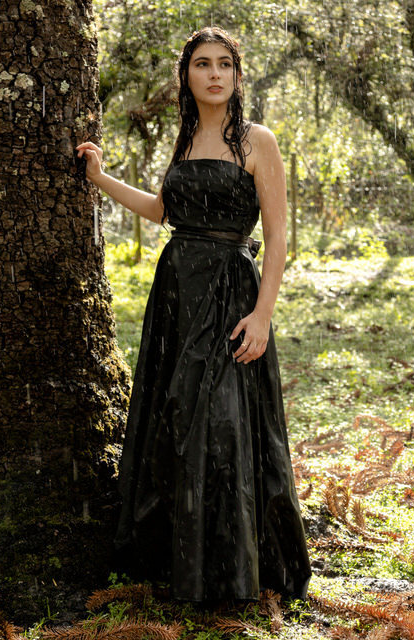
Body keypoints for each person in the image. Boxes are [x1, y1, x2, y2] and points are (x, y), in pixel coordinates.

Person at [74, 26, 311, 608]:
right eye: (202, 64)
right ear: (186, 76)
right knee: (176, 417)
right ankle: (179, 560)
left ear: (236, 74)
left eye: (224, 64)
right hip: (177, 289)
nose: (213, 74)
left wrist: (262, 316)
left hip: (231, 293)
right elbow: (162, 210)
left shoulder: (258, 141)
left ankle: (233, 570)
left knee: (226, 422)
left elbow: (279, 238)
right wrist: (100, 179)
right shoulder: (182, 141)